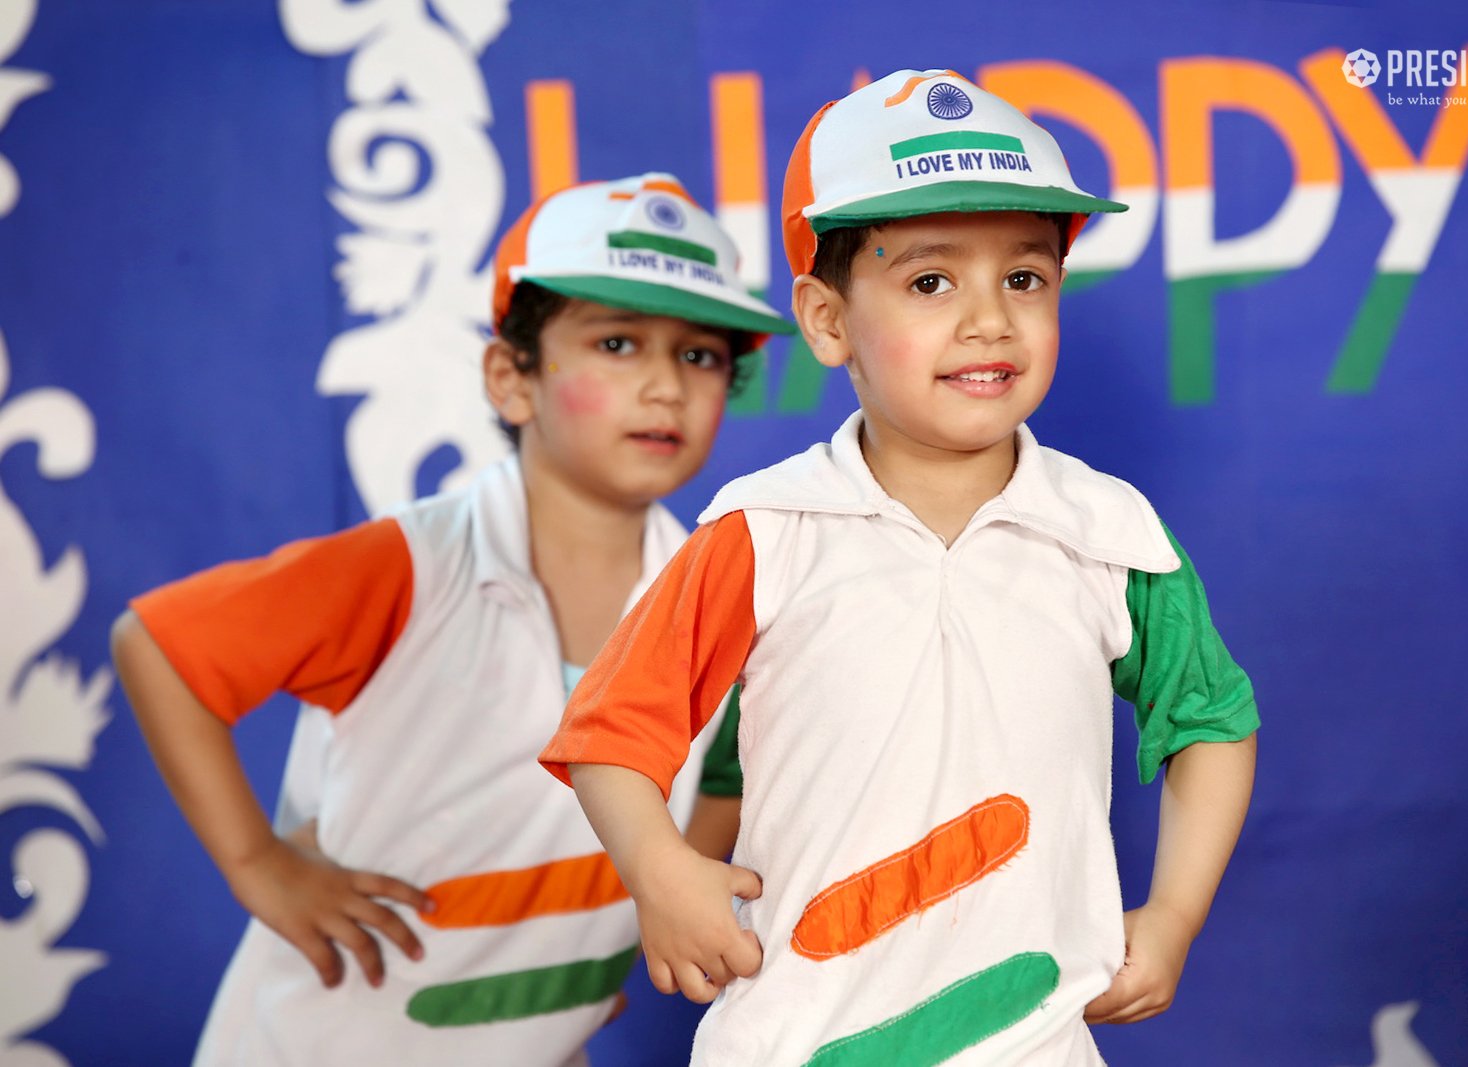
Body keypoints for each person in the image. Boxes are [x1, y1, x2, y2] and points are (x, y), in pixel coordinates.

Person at [539, 73, 1260, 1065]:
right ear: (826, 320)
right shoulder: (766, 528)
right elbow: (611, 731)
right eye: (930, 282)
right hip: (794, 1040)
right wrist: (659, 868)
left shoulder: (1108, 530)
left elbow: (1211, 720)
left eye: (1025, 279)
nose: (989, 320)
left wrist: (1173, 913)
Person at [111, 172, 792, 1066]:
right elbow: (159, 645)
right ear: (511, 378)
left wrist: (656, 904)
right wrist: (258, 864)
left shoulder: (720, 586)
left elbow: (724, 781)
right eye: (618, 342)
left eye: (700, 356)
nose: (666, 385)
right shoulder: (409, 564)